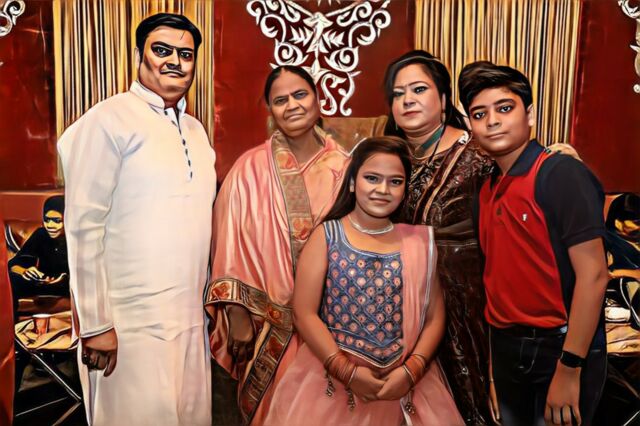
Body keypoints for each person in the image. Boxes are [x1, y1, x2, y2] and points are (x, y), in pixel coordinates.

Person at [57, 13, 215, 426]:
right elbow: (84, 226)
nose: (174, 61)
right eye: (161, 50)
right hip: (127, 325)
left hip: (189, 318)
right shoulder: (108, 120)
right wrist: (96, 324)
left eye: (185, 54)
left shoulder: (196, 131)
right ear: (138, 55)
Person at [264, 136, 463, 425]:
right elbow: (304, 313)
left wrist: (411, 372)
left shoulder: (418, 243)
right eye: (372, 178)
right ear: (352, 183)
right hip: (332, 382)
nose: (383, 189)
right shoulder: (327, 236)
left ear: (405, 189)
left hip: (403, 384)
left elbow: (434, 317)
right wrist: (347, 372)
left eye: (395, 182)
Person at [459, 61, 608, 426]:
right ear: (470, 126)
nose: (492, 121)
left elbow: (594, 275)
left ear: (529, 114)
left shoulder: (560, 174)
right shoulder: (486, 190)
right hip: (506, 349)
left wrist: (570, 367)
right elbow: (493, 285)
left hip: (560, 348)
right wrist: (493, 371)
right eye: (479, 114)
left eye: (504, 108)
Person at [204, 65, 350, 425]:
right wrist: (237, 313)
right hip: (265, 324)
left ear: (318, 99)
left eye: (300, 95)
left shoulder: (346, 167)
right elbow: (228, 241)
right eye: (280, 100)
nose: (292, 105)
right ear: (270, 110)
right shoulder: (248, 168)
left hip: (332, 325)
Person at [383, 50, 495, 425]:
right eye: (398, 94)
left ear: (444, 99)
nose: (407, 100)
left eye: (418, 89)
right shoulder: (387, 158)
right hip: (398, 308)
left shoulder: (480, 154)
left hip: (464, 308)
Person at [9, 195, 69, 320]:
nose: (50, 225)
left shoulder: (75, 237)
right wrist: (25, 271)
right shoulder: (41, 234)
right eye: (47, 220)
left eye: (57, 221)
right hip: (42, 283)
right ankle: (9, 326)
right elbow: (14, 264)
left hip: (68, 286)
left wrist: (64, 278)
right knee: (11, 278)